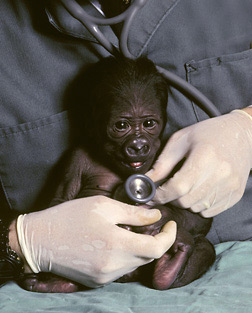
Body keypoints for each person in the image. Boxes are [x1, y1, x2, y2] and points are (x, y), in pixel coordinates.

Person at [1, 0, 252, 288]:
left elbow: (197, 220)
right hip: (84, 262)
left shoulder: (168, 152)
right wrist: (23, 242)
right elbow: (56, 207)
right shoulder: (83, 159)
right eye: (121, 126)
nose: (137, 142)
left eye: (149, 125)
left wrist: (248, 126)